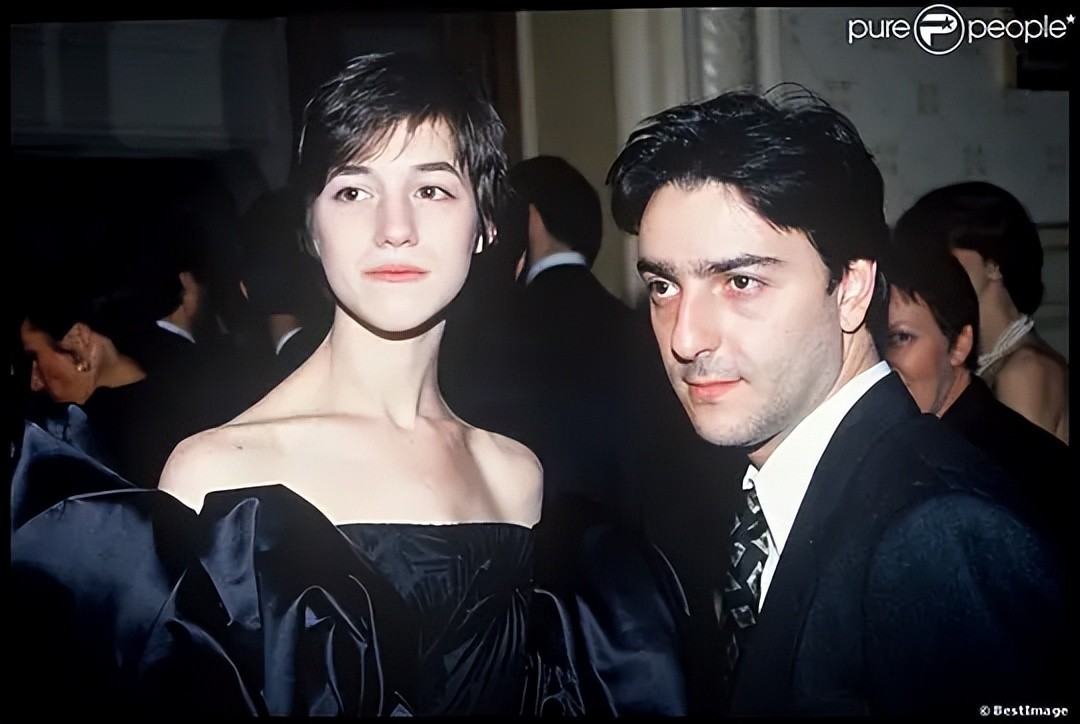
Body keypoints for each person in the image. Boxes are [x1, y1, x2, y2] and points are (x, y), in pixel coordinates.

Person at [11, 51, 688, 717]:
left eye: (431, 190)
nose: (395, 230)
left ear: (485, 224)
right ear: (311, 227)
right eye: (353, 191)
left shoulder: (515, 475)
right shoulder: (217, 474)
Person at [606, 85, 1069, 716]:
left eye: (741, 281)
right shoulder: (764, 496)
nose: (685, 338)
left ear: (851, 288)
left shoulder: (941, 530)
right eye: (663, 286)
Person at [881, 245, 1071, 546]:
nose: (882, 362)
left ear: (959, 345)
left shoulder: (995, 473)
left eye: (901, 338)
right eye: (873, 342)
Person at [891, 181, 1068, 443]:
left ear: (994, 264)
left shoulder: (1025, 371)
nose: (931, 268)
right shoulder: (989, 364)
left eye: (941, 253)